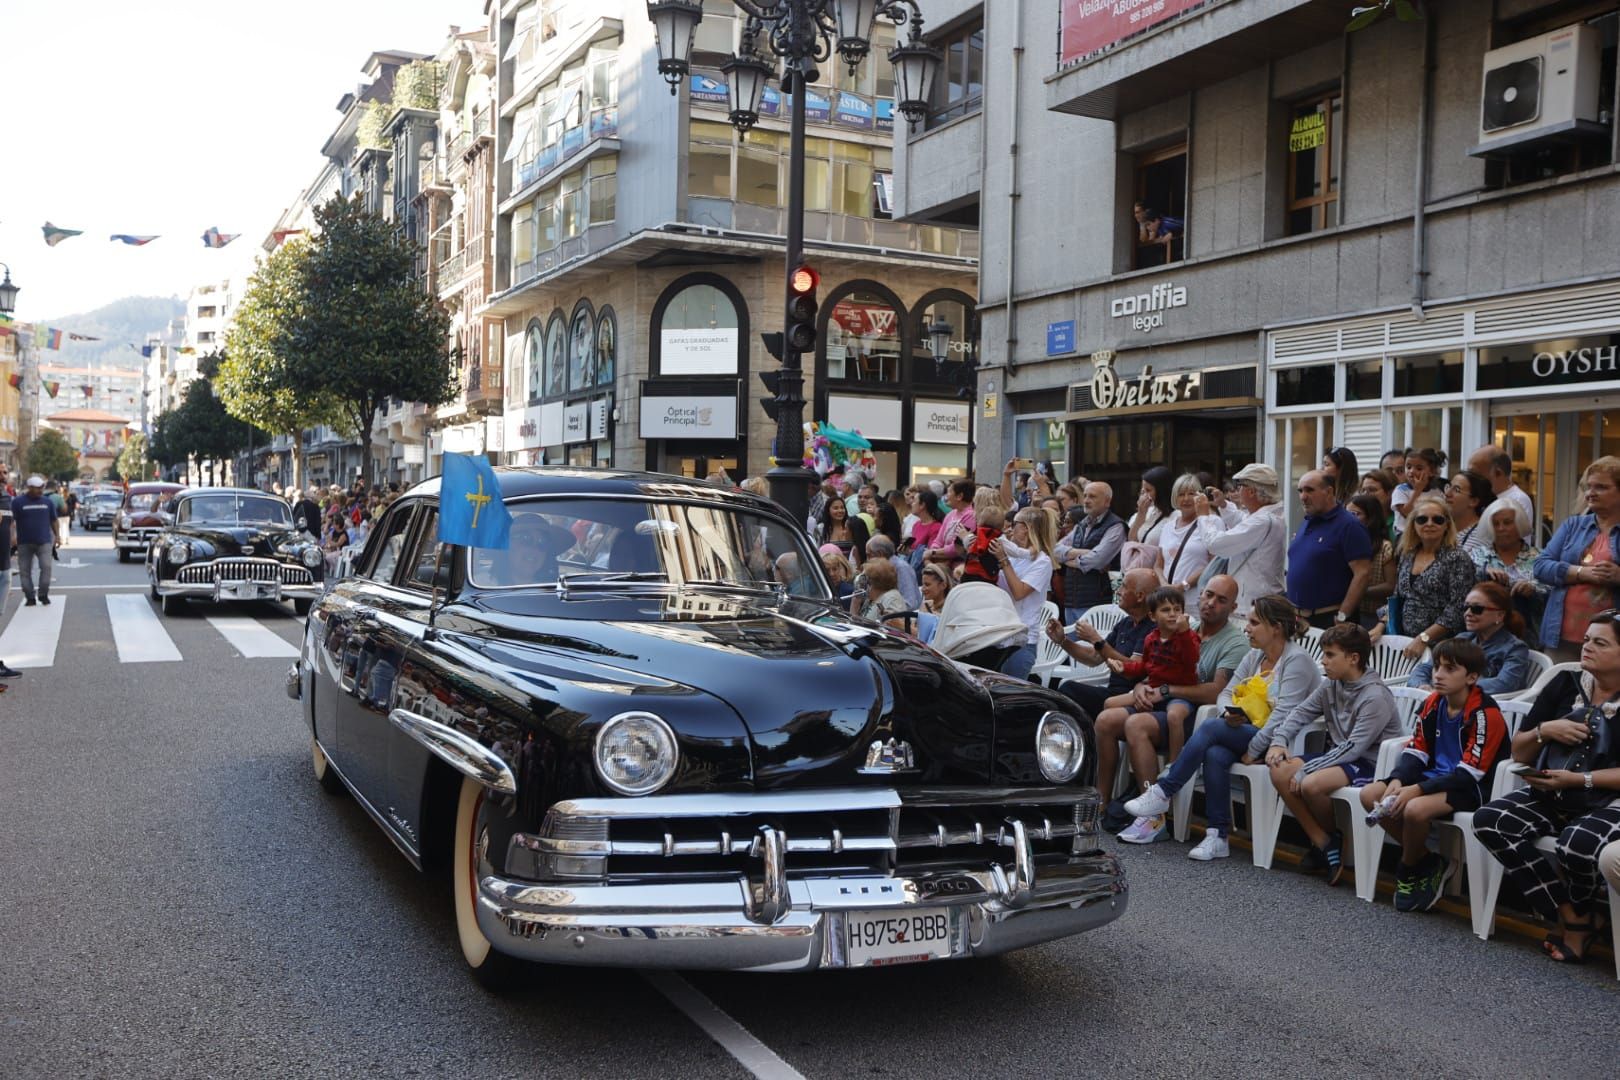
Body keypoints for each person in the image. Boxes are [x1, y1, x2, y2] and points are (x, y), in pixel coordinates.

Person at [1123, 594, 1323, 860]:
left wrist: (1254, 748)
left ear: (1276, 627)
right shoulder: (1255, 656)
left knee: (1210, 729)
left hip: (1282, 744)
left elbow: (1285, 715)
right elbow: (1226, 693)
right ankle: (1217, 835)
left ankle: (1164, 790)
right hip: (1246, 732)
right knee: (1214, 752)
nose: (1247, 628)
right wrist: (1230, 712)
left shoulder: (1296, 660)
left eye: (1254, 622)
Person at [1473, 610, 1620, 963]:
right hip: (1554, 790)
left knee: (1578, 844)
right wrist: (1545, 731)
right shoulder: (1564, 684)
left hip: (1608, 799)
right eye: (1586, 639)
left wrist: (1580, 779)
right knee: (1491, 820)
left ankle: (1579, 923)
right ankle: (1574, 916)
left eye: (1600, 642)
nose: (1587, 647)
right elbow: (1518, 749)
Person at [1361, 639, 1511, 912]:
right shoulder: (1433, 702)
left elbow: (1470, 773)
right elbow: (1416, 750)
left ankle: (1407, 868)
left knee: (1415, 810)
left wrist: (1416, 789)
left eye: (1450, 669)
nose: (1438, 675)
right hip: (1434, 778)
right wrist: (1397, 779)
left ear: (1472, 677)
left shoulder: (1485, 715)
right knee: (1370, 794)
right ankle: (1429, 861)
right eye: (1437, 668)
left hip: (1472, 787)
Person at [1112, 576, 1250, 845]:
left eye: (1221, 600)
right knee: (1107, 719)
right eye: (1208, 595)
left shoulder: (1234, 643)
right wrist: (1141, 687)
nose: (1211, 603)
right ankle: (1104, 803)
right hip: (1167, 705)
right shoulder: (1185, 627)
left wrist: (1166, 690)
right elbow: (1156, 668)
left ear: (1233, 608)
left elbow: (1216, 691)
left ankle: (1153, 818)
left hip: (1197, 718)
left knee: (1136, 725)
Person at [1264, 623, 1405, 885]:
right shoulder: (1331, 685)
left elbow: (1354, 748)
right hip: (1339, 756)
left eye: (1330, 655)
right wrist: (1279, 741)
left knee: (1312, 784)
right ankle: (1325, 841)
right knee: (1279, 770)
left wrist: (1308, 768)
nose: (1323, 661)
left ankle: (1328, 842)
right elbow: (1301, 712)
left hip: (1371, 764)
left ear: (1353, 658)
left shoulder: (1375, 696)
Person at [1047, 567, 1161, 813]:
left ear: (1140, 596)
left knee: (1074, 694)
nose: (1118, 591)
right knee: (1065, 691)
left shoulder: (1152, 628)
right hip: (1112, 694)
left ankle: (1099, 794)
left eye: (1124, 587)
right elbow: (1093, 657)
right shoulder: (1126, 623)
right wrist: (1063, 641)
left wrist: (1097, 639)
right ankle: (1070, 769)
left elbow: (1132, 666)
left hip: (1135, 698)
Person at [1534, 456, 1620, 661]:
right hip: (1561, 635)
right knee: (1557, 690)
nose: (1590, 493)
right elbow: (1540, 566)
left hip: (1612, 640)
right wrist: (1581, 572)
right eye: (1588, 487)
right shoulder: (1573, 526)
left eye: (1601, 487)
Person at [1374, 494, 1476, 660]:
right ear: (1413, 525)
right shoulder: (1408, 554)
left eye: (1437, 519)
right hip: (1405, 645)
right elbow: (1397, 598)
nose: (1429, 524)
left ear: (1447, 525)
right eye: (1422, 519)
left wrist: (1424, 638)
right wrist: (1380, 626)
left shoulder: (1457, 557)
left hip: (1443, 649)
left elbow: (1458, 607)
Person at [1406, 581, 1531, 697]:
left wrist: (1453, 687)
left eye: (1477, 609)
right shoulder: (1463, 639)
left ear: (1500, 615)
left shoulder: (1515, 648)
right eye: (1465, 607)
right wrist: (1422, 686)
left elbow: (1505, 684)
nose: (1467, 613)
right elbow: (1425, 668)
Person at [1195, 463, 1286, 615]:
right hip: (1255, 600)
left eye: (1239, 486)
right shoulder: (1267, 516)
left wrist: (1204, 516)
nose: (1237, 490)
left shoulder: (1263, 521)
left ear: (1251, 491)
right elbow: (1243, 521)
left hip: (1253, 603)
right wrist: (1223, 504)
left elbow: (1215, 544)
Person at [1286, 470, 1372, 629]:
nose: (1303, 497)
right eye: (1300, 491)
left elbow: (1363, 574)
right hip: (1298, 620)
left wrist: (1342, 616)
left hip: (1329, 621)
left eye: (1309, 490)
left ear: (1329, 491)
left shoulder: (1349, 525)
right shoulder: (1308, 521)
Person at [993, 506, 1057, 680]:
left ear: (1026, 529)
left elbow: (1019, 592)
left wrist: (1003, 561)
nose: (1010, 527)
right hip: (998, 635)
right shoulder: (1014, 554)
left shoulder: (1042, 561)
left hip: (1022, 640)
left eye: (1015, 524)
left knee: (1010, 696)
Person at [1474, 497, 1547, 646]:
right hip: (1484, 638)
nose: (1501, 528)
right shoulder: (1477, 556)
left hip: (1529, 637)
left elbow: (1552, 591)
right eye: (1495, 524)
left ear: (1519, 525)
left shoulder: (1541, 557)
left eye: (1507, 522)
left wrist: (1532, 589)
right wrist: (1483, 572)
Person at [1053, 481, 1126, 624]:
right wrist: (1085, 553)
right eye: (1085, 496)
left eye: (1092, 497)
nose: (1086, 500)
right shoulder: (1082, 524)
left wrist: (1067, 560)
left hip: (1097, 602)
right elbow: (1054, 551)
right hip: (1072, 601)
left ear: (1107, 501)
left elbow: (1097, 560)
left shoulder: (1116, 526)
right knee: (1072, 644)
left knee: (1091, 645)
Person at [1346, 494, 1395, 628]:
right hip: (1347, 611)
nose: (1349, 518)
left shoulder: (1385, 547)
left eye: (1355, 514)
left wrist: (1358, 590)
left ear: (1370, 518)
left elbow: (1391, 585)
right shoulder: (1345, 544)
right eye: (1346, 514)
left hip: (1375, 615)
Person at [1156, 474, 1212, 594]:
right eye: (1181, 494)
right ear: (1175, 498)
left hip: (1195, 600)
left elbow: (1213, 562)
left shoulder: (1210, 522)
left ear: (1199, 496)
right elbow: (1158, 565)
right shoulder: (1167, 527)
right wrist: (1164, 585)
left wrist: (1183, 586)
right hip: (1168, 600)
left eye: (1191, 493)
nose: (1186, 498)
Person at [11, 475, 60, 607]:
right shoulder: (17, 502)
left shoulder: (47, 502)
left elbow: (54, 520)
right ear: (29, 488)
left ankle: (43, 594)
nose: (40, 490)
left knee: (46, 567)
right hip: (24, 543)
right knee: (24, 571)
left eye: (41, 487)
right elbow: (12, 521)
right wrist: (13, 536)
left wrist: (58, 536)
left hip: (44, 542)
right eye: (37, 488)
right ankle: (30, 597)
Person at [1467, 444, 1535, 537]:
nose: (1471, 479)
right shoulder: (1481, 496)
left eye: (1476, 475)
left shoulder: (1517, 500)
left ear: (1498, 473)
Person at [924, 479, 977, 569]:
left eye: (949, 492)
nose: (946, 496)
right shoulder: (950, 514)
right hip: (940, 560)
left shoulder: (970, 516)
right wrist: (933, 551)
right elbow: (938, 540)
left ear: (959, 496)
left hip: (958, 565)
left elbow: (957, 548)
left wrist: (933, 553)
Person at [1393, 447, 1447, 534]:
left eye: (1419, 468)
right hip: (1404, 536)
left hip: (1428, 535)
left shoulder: (1437, 492)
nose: (1411, 471)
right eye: (1408, 467)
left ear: (1432, 472)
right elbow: (1406, 513)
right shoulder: (1401, 490)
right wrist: (1417, 491)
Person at [863, 534, 920, 610]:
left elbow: (910, 603)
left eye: (869, 555)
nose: (867, 560)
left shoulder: (901, 568)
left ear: (880, 554)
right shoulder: (881, 569)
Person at [1445, 470, 1494, 555]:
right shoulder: (1441, 527)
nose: (1447, 493)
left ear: (1473, 501)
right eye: (1449, 487)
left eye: (1456, 490)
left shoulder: (1481, 537)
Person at [1126, 466, 1173, 549]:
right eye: (1143, 490)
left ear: (1160, 491)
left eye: (1148, 490)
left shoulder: (1176, 515)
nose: (1144, 495)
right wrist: (1141, 513)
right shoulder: (1149, 511)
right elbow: (1132, 540)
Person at [958, 504, 1007, 585]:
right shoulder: (1001, 540)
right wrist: (1027, 553)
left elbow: (968, 543)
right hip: (989, 576)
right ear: (1002, 526)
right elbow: (1014, 550)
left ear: (980, 522)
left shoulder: (975, 536)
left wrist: (964, 537)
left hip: (969, 574)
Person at [816, 495, 869, 566]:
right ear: (828, 511)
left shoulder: (851, 526)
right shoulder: (821, 528)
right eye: (835, 508)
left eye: (842, 508)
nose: (840, 511)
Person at [857, 558, 909, 623]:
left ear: (876, 581)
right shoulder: (871, 597)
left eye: (865, 579)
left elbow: (894, 627)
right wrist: (855, 604)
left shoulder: (892, 598)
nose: (862, 582)